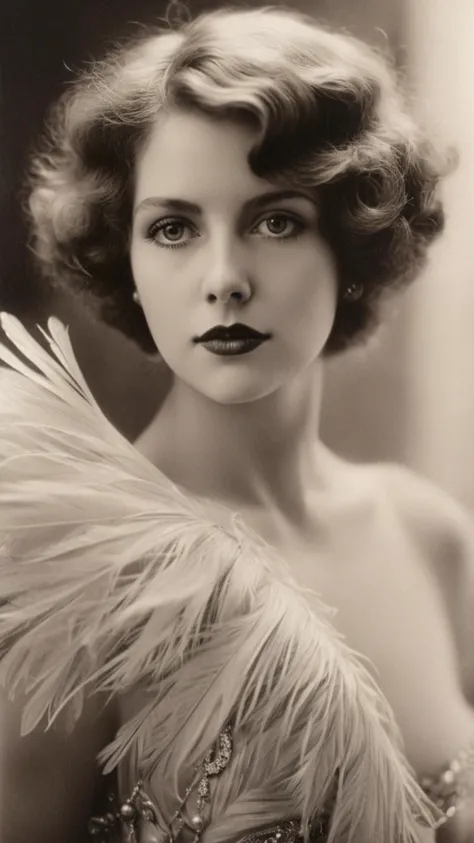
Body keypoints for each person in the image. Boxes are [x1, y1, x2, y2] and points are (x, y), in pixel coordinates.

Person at [0, 4, 473, 842]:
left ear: (352, 247)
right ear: (129, 260)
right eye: (174, 227)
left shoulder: (431, 535)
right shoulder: (76, 583)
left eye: (275, 220)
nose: (223, 278)